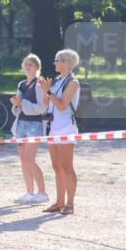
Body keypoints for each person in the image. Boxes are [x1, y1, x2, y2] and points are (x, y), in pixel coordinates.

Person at [39, 49, 81, 215]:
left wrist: (49, 91)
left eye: (57, 60)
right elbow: (46, 103)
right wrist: (46, 91)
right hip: (53, 128)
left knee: (67, 166)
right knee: (56, 166)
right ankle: (59, 202)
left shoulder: (73, 82)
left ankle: (70, 204)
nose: (55, 63)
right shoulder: (56, 80)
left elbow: (63, 105)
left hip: (66, 128)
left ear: (66, 62)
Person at [8, 54, 49, 204]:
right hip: (21, 124)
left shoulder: (40, 84)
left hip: (34, 125)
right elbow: (17, 106)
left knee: (31, 160)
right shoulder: (21, 84)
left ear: (37, 67)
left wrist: (22, 102)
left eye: (31, 64)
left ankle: (42, 192)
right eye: (26, 64)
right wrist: (16, 103)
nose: (28, 66)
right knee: (24, 160)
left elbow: (41, 108)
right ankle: (29, 192)